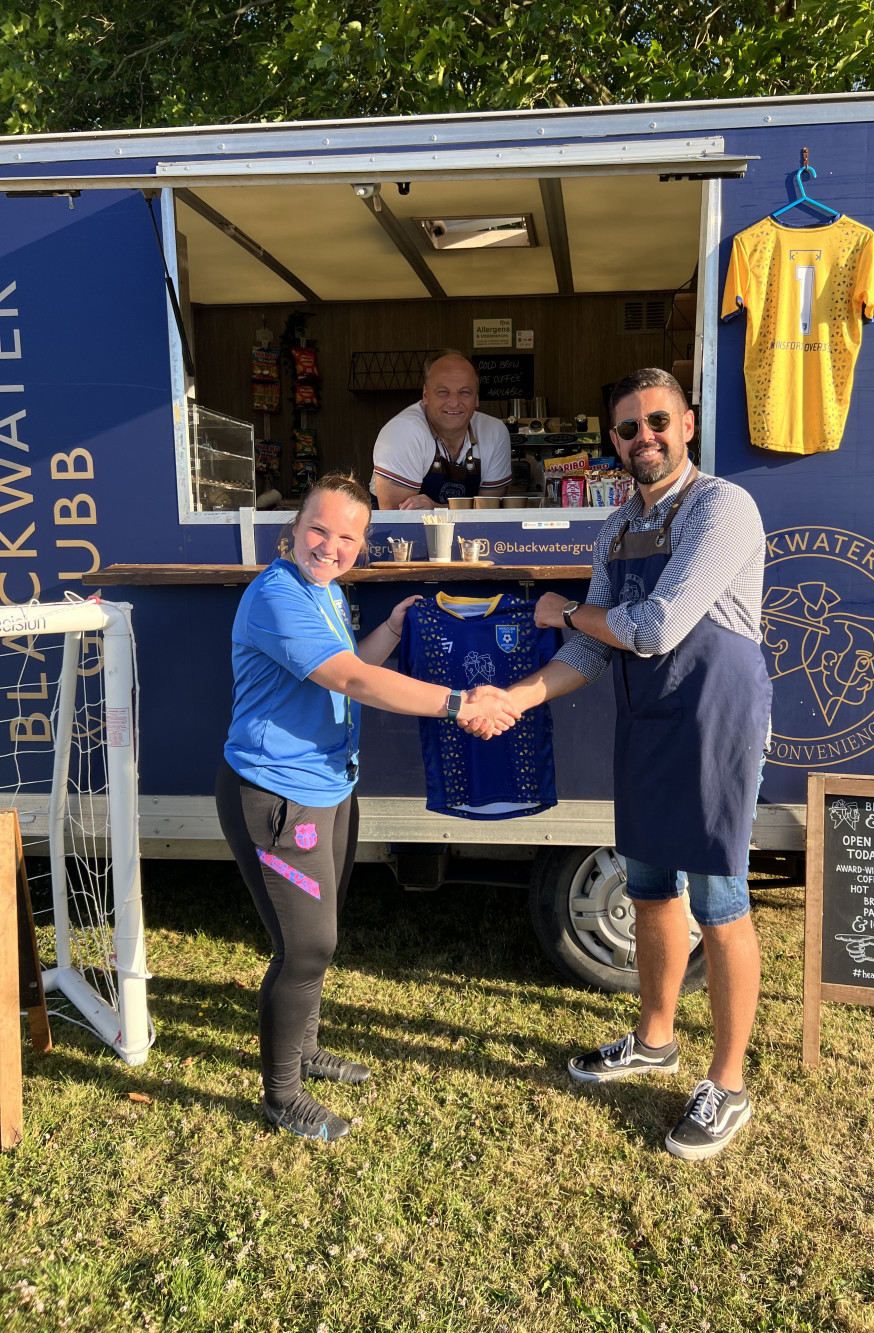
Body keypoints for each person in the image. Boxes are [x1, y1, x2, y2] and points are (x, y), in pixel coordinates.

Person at [505, 368, 771, 1162]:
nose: (643, 437)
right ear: (613, 442)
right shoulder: (616, 530)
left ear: (686, 424)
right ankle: (656, 1039)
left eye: (657, 421)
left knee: (721, 899)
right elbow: (592, 648)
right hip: (648, 719)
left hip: (714, 718)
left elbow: (652, 627)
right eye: (627, 428)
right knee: (650, 886)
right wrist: (519, 697)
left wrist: (559, 609)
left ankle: (728, 1084)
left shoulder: (722, 506)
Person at [215, 473, 518, 1143]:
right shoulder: (275, 595)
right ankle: (282, 1093)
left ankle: (307, 1048)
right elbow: (351, 679)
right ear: (291, 530)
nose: (331, 545)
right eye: (319, 529)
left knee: (322, 930)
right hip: (276, 797)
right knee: (307, 945)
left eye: (348, 536)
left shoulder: (323, 591)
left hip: (329, 788)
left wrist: (386, 627)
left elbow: (347, 660)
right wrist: (457, 704)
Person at [370, 350, 511, 509]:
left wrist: (436, 509)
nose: (454, 402)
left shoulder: (494, 432)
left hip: (471, 534)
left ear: (476, 398)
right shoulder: (403, 432)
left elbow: (489, 514)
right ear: (426, 395)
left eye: (464, 392)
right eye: (443, 392)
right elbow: (398, 517)